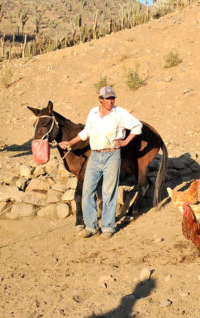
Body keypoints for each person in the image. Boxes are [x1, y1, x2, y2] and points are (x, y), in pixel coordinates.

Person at [58, 86, 142, 239]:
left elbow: (137, 126)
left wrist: (124, 142)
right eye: (108, 98)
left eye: (113, 98)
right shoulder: (93, 113)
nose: (111, 101)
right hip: (95, 156)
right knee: (87, 191)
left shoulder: (120, 113)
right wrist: (70, 142)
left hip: (112, 155)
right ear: (101, 99)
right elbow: (86, 132)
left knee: (109, 192)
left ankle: (108, 227)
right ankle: (91, 226)